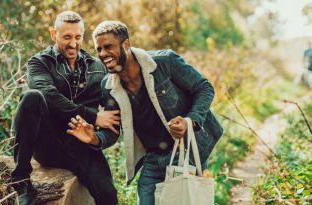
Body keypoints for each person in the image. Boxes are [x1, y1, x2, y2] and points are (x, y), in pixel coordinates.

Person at [67, 20, 223, 205]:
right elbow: (113, 128)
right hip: (152, 160)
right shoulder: (108, 86)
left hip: (184, 152)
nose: (103, 54)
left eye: (108, 46)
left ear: (126, 45)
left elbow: (204, 88)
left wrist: (190, 121)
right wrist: (95, 138)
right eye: (98, 49)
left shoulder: (164, 62)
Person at [11, 12, 119, 205]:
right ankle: (21, 182)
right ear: (54, 34)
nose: (73, 43)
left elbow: (113, 121)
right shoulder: (39, 62)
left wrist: (96, 139)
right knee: (31, 97)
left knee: (109, 195)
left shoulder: (99, 68)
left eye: (78, 37)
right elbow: (48, 95)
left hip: (82, 145)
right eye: (67, 37)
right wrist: (93, 117)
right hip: (47, 142)